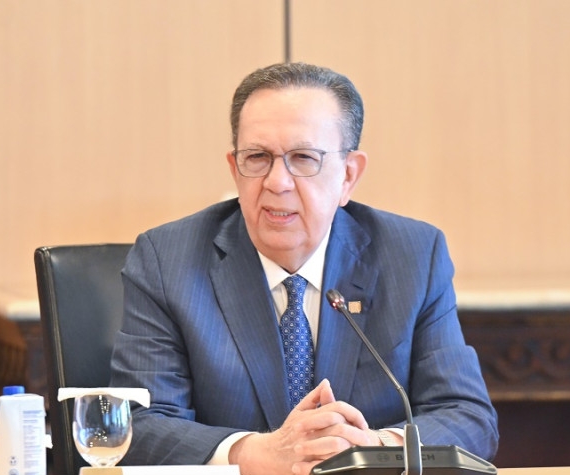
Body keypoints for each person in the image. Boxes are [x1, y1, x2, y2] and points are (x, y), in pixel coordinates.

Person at [109, 62, 498, 475]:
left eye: (303, 158)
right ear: (234, 168)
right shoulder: (167, 260)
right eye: (257, 157)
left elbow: (467, 416)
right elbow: (137, 425)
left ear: (348, 176)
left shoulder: (412, 255)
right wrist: (254, 453)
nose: (277, 182)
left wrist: (373, 448)